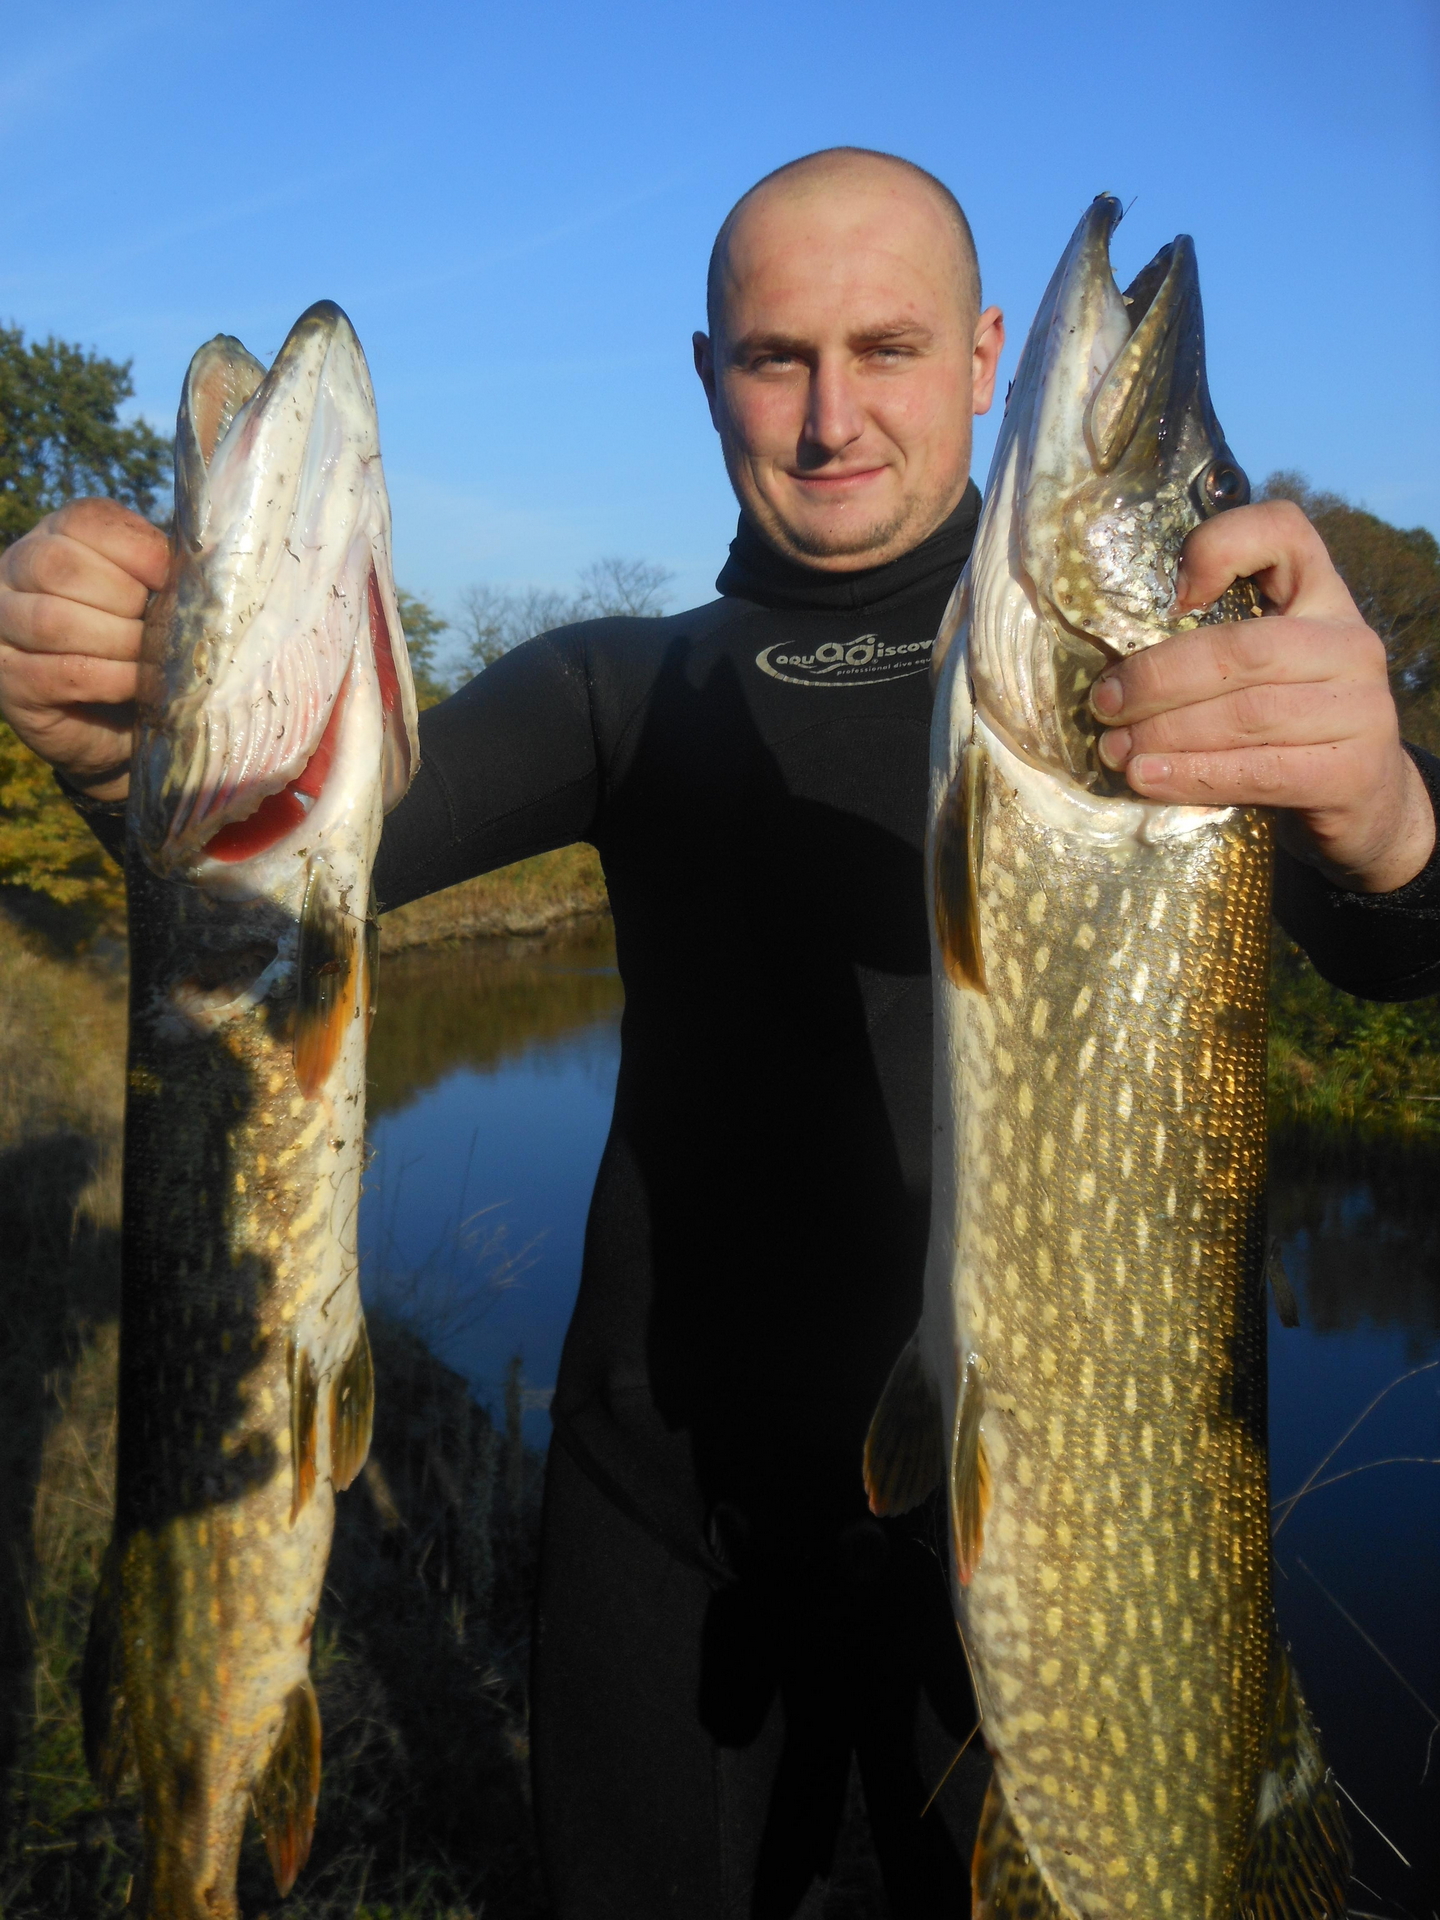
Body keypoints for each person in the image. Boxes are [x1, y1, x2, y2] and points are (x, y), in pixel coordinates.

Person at [3, 149, 1438, 1917]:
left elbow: (1404, 949)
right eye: (776, 358)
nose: (832, 416)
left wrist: (1388, 812)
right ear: (707, 374)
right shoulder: (615, 684)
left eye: (887, 347)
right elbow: (277, 880)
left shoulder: (1182, 695)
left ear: (986, 357)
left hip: (1053, 1544)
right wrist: (120, 740)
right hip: (658, 1521)